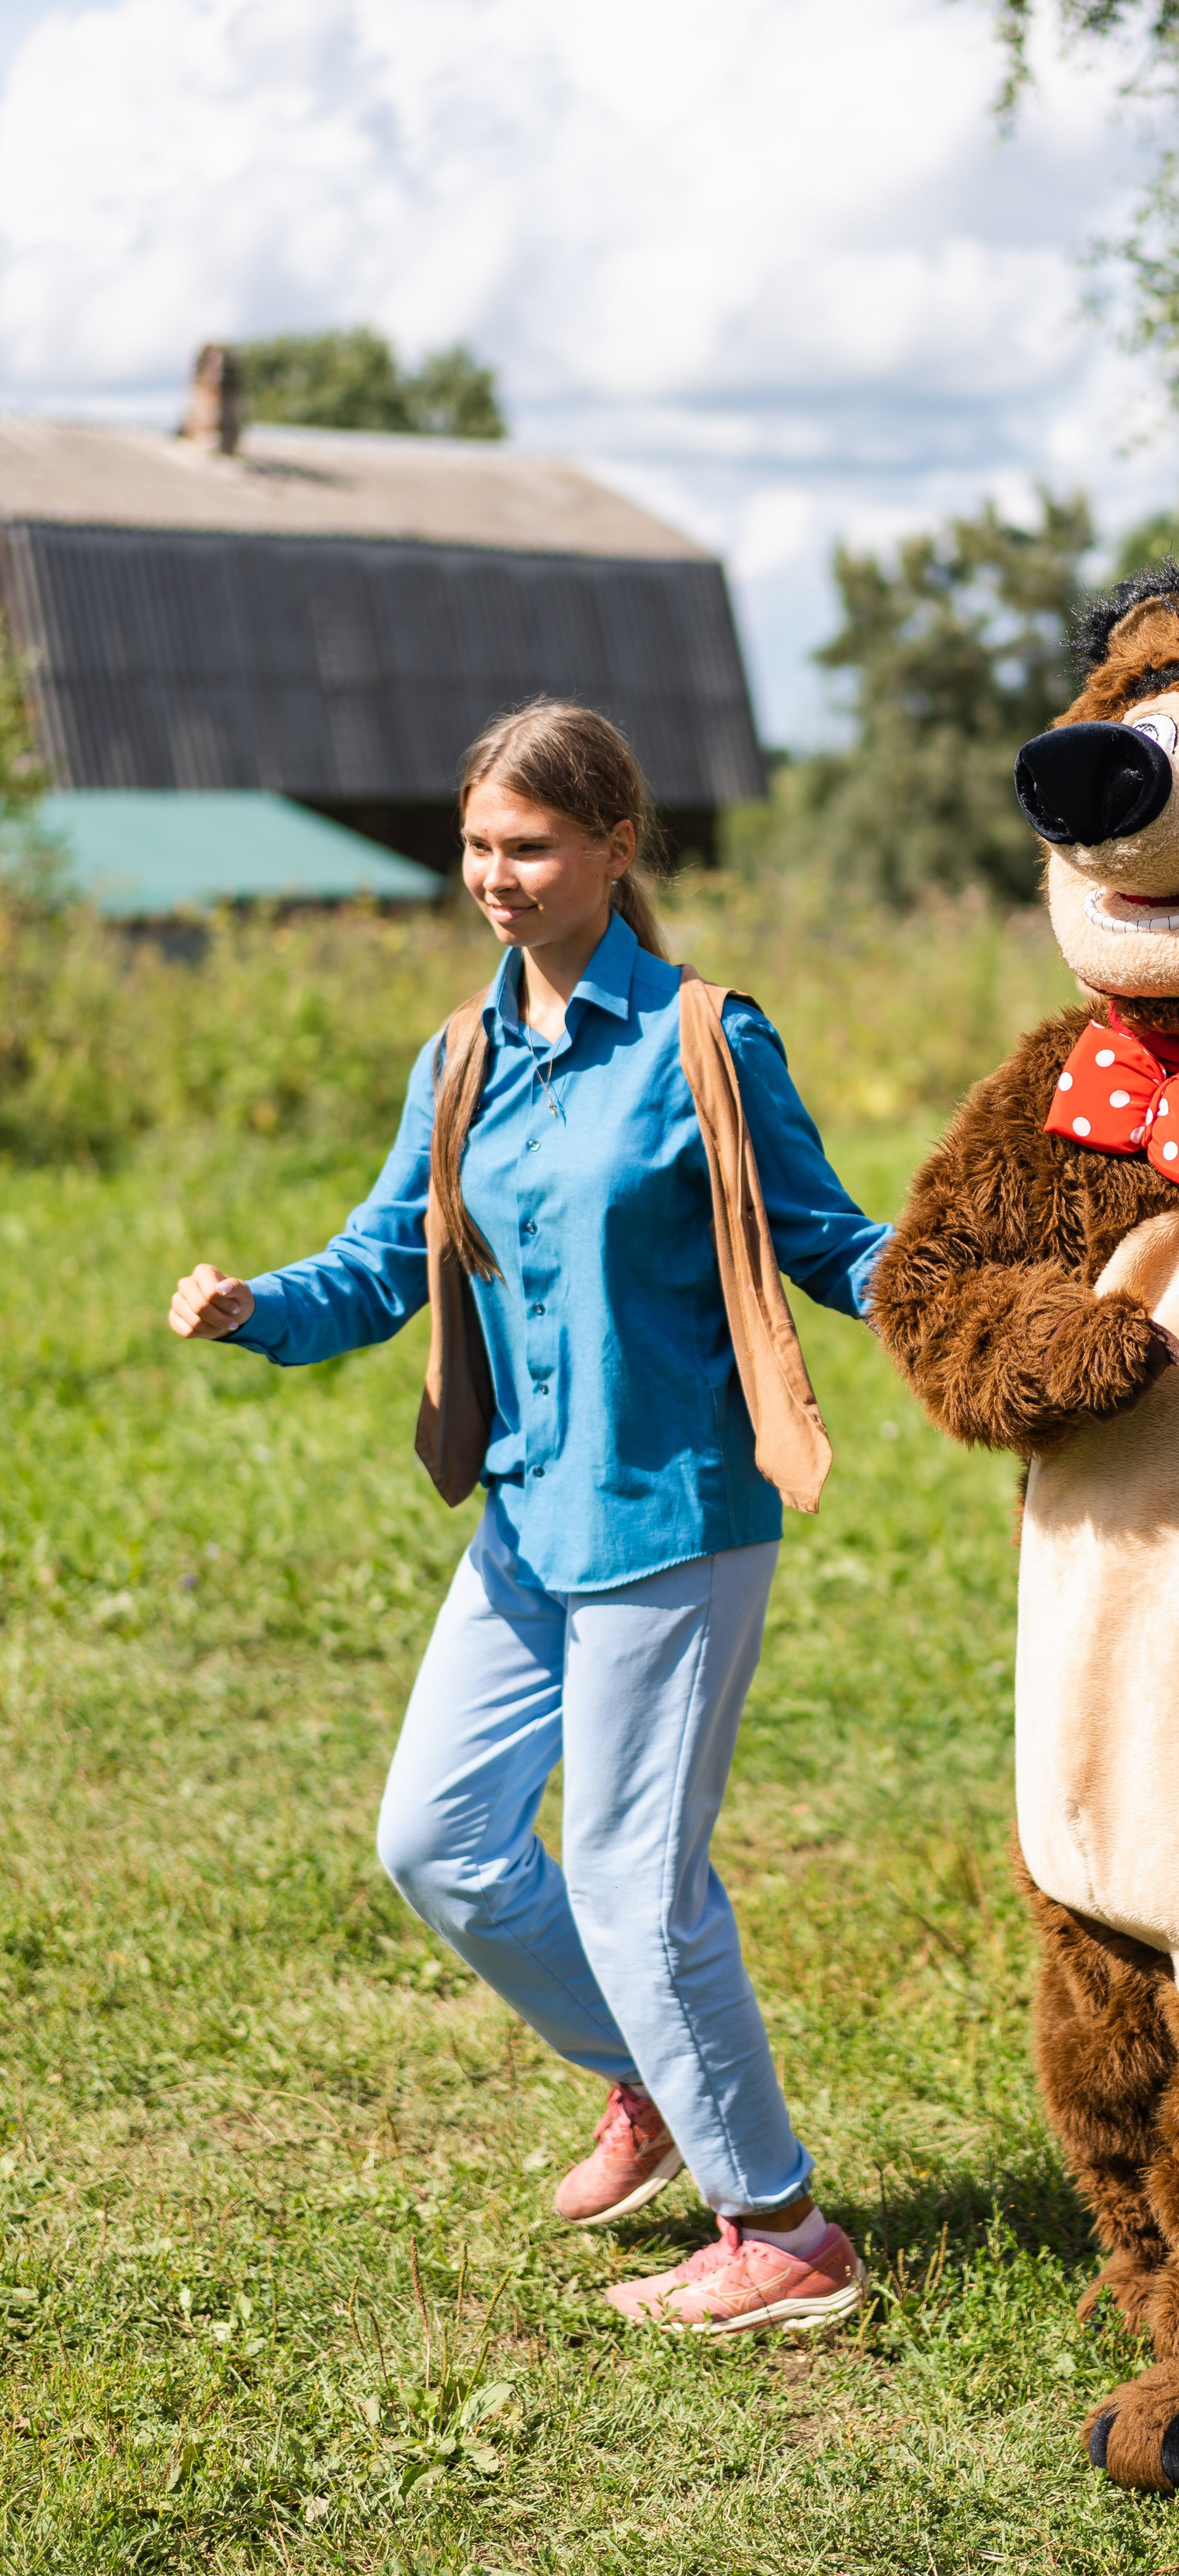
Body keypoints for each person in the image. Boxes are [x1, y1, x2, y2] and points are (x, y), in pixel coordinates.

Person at [168, 701, 886, 2337]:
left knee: (637, 1880)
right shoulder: (464, 1053)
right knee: (440, 1841)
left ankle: (778, 2232)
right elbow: (375, 1262)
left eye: (532, 846)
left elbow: (828, 1238)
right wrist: (252, 1307)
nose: (495, 876)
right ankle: (646, 2076)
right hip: (524, 1516)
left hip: (675, 1514)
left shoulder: (704, 1036)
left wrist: (969, 1282)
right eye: (478, 845)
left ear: (616, 850)